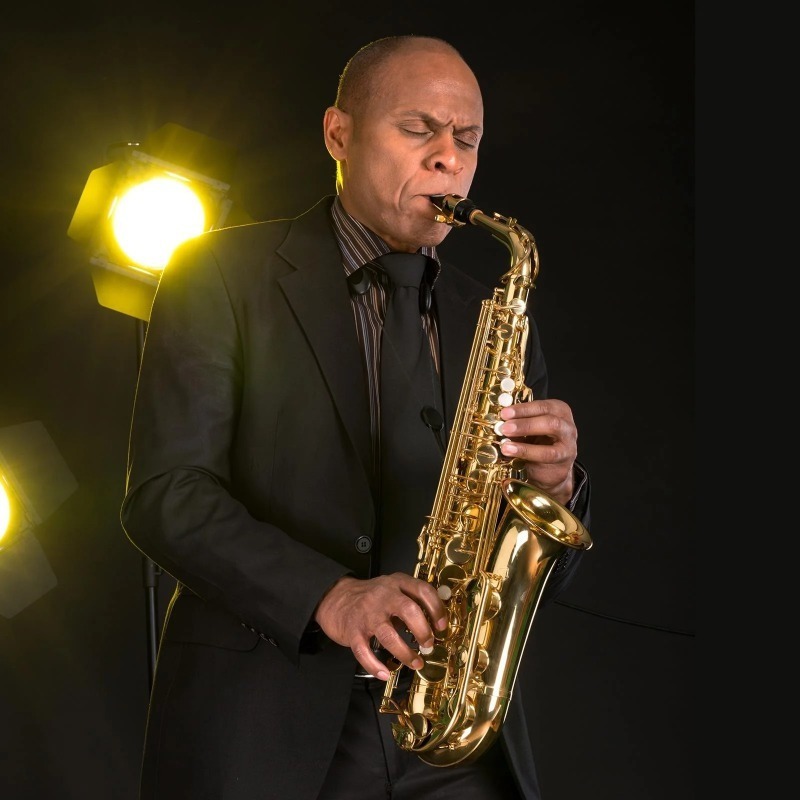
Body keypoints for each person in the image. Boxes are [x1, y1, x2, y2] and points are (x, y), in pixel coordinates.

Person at [121, 34, 591, 800]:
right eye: (418, 129)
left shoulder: (494, 315)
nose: (448, 158)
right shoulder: (217, 274)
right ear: (338, 134)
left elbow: (533, 572)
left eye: (467, 138)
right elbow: (166, 496)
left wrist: (556, 486)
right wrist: (332, 597)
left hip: (452, 737)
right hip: (266, 728)